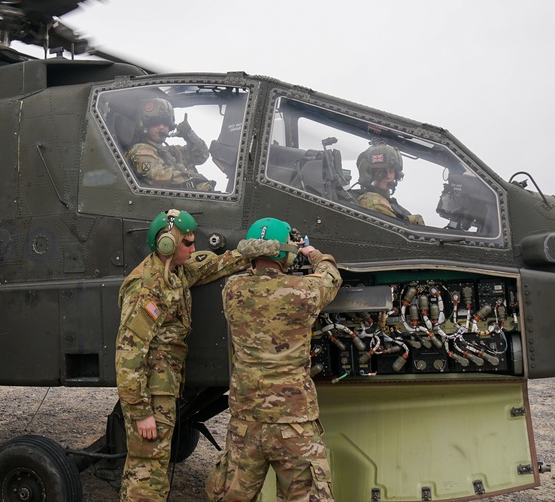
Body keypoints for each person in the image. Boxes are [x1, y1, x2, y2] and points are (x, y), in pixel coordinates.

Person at [116, 209, 252, 501]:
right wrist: (141, 413)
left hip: (161, 389)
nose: (193, 248)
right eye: (187, 243)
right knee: (147, 476)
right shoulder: (147, 289)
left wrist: (249, 252)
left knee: (144, 468)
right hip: (150, 396)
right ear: (166, 245)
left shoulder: (175, 272)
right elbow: (128, 354)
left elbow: (211, 266)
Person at [206, 217, 343, 501]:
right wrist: (311, 252)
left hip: (247, 420)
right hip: (293, 422)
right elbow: (330, 276)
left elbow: (247, 273)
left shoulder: (232, 290)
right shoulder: (303, 291)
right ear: (283, 253)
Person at [126, 97, 216, 191]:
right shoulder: (140, 150)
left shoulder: (170, 152)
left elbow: (201, 156)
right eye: (155, 122)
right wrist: (193, 178)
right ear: (144, 125)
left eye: (166, 122)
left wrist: (190, 134)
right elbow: (158, 176)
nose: (161, 127)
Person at [356, 140, 425, 225]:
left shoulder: (386, 200)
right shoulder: (373, 201)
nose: (388, 176)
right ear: (369, 175)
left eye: (391, 171)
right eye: (382, 172)